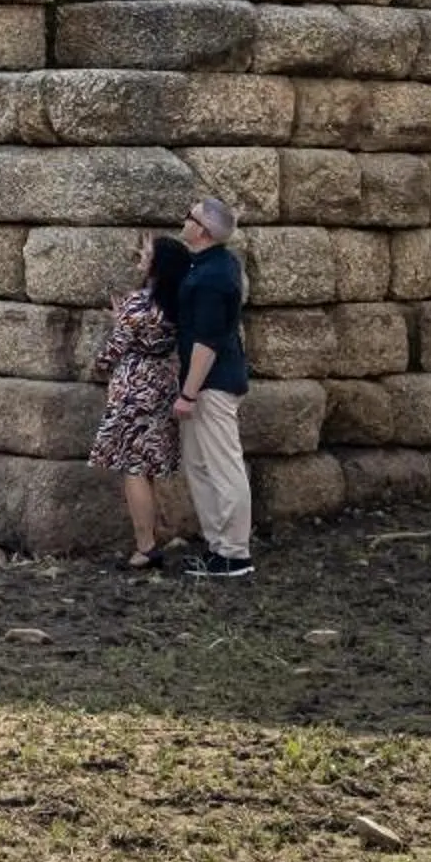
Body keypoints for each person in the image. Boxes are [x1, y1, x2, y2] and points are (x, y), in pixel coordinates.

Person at [88, 234, 190, 570]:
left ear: (158, 264)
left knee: (134, 467)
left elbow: (114, 350)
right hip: (162, 382)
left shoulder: (137, 304)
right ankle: (151, 539)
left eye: (147, 253)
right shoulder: (179, 301)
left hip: (134, 386)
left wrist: (99, 364)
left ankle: (145, 546)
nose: (140, 256)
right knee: (148, 462)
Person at [171, 196, 254, 579]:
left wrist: (188, 393)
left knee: (222, 466)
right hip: (204, 381)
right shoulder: (209, 266)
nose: (183, 220)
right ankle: (218, 547)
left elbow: (207, 340)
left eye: (190, 217)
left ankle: (235, 552)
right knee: (200, 465)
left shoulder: (213, 276)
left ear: (202, 231)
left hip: (212, 383)